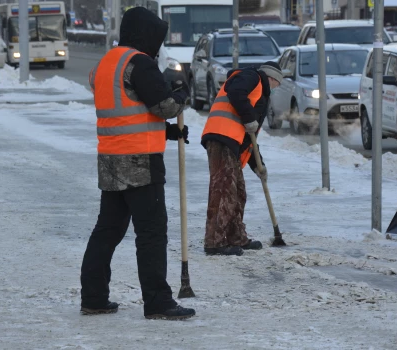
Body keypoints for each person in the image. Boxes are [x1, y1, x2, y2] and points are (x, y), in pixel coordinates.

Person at [80, 6, 195, 320]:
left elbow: (127, 109)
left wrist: (169, 132)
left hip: (111, 160)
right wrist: (184, 92)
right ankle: (158, 302)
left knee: (107, 231)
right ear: (145, 34)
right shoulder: (139, 63)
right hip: (141, 162)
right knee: (151, 233)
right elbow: (164, 105)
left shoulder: (106, 64)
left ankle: (93, 297)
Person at [201, 61, 283, 256]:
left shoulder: (259, 93)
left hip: (232, 142)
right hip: (222, 137)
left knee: (237, 192)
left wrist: (258, 165)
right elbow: (235, 91)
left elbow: (250, 138)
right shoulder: (252, 77)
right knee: (223, 191)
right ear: (271, 78)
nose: (274, 90)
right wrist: (248, 118)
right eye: (276, 85)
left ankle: (235, 237)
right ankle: (215, 242)